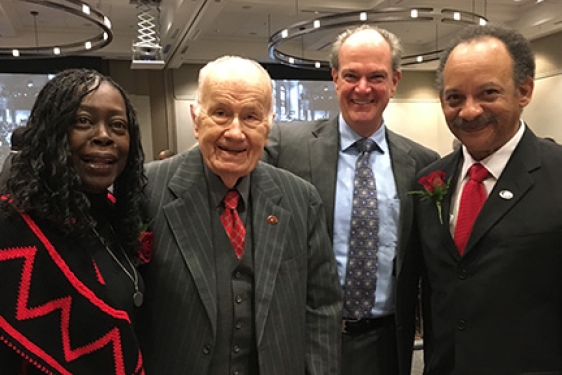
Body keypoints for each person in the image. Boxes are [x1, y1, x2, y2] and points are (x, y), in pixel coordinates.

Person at [136, 56, 342, 375]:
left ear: (268, 124)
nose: (235, 132)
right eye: (220, 113)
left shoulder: (302, 199)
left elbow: (322, 309)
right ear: (196, 118)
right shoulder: (147, 192)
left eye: (250, 117)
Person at [263, 25, 439, 375]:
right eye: (351, 75)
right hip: (307, 339)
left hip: (389, 344)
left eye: (376, 76)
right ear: (335, 79)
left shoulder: (423, 163)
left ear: (395, 80)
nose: (363, 88)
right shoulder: (285, 146)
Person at [414, 24, 562, 374]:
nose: (469, 111)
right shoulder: (427, 181)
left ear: (524, 90)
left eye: (488, 93)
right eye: (454, 98)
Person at [0, 69, 147, 374]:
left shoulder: (113, 219)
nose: (104, 135)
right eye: (83, 121)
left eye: (118, 125)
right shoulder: (10, 229)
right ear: (52, 132)